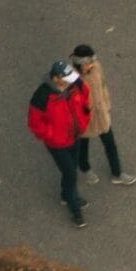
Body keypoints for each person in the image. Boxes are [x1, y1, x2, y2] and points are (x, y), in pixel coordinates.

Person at [26, 60, 95, 226]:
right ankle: (75, 209)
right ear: (56, 78)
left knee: (70, 170)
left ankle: (66, 196)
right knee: (71, 173)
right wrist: (51, 135)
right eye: (67, 78)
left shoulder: (75, 84)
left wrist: (84, 119)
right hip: (57, 144)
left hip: (74, 136)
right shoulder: (42, 96)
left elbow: (85, 97)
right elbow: (35, 123)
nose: (71, 81)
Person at [72, 42, 134, 185]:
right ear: (80, 64)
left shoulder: (96, 67)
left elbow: (103, 85)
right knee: (83, 145)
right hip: (85, 120)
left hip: (101, 115)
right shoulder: (72, 80)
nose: (92, 65)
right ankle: (85, 167)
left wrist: (107, 104)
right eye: (89, 63)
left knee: (110, 144)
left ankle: (117, 173)